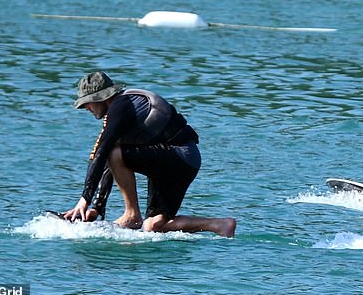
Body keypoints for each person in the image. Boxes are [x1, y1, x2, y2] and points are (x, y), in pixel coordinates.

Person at [63, 71, 236, 237]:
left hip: (180, 157)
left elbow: (102, 153)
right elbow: (109, 163)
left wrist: (85, 199)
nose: (86, 107)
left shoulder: (120, 106)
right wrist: (98, 208)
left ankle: (131, 216)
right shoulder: (119, 113)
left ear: (102, 97)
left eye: (88, 102)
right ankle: (219, 225)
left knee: (114, 152)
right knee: (153, 226)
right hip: (181, 162)